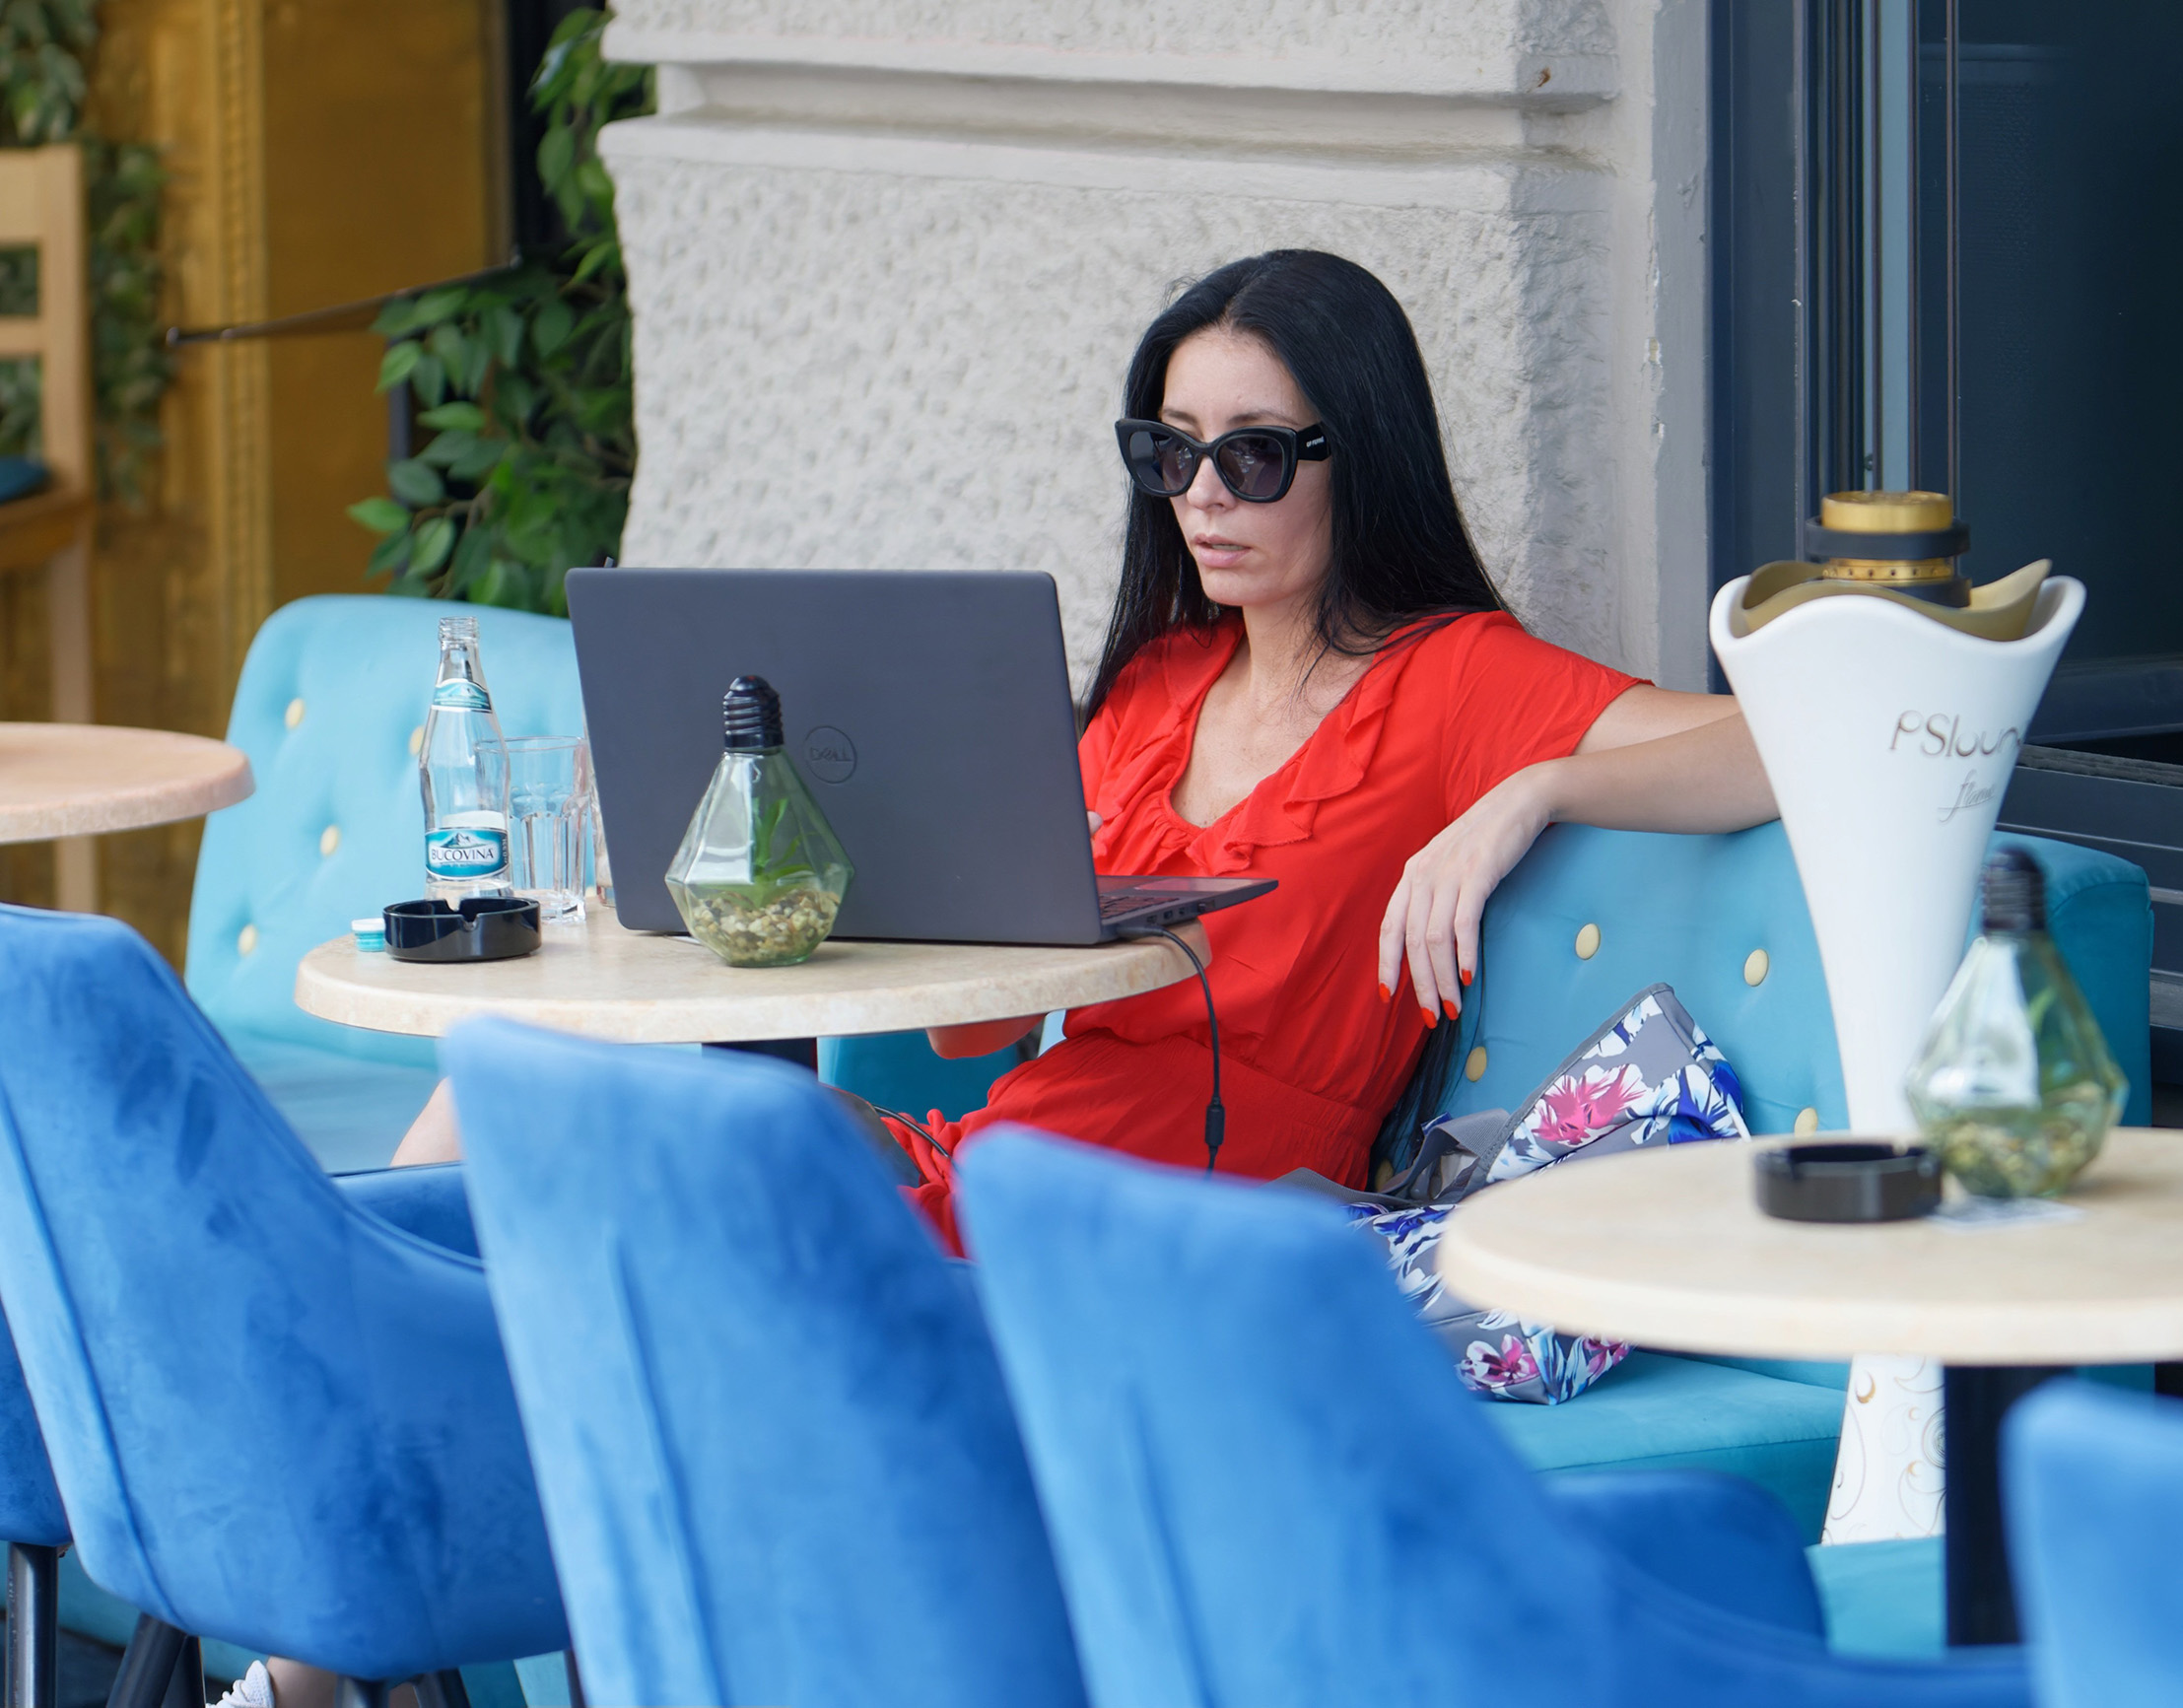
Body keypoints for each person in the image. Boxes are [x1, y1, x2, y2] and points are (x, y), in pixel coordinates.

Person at [230, 246, 1777, 1708]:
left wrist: (1532, 792)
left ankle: (336, 1649)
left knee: (631, 1287)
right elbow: (980, 1024)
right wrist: (936, 870)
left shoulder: (1451, 682)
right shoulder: (1157, 686)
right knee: (520, 1100)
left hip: (1136, 1251)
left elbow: (1771, 746)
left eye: (1252, 456)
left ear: (1353, 455)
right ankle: (317, 1642)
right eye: (1169, 452)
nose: (1203, 497)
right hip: (988, 1170)